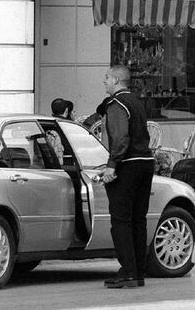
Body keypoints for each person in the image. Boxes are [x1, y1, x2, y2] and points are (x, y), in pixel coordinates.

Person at [100, 65, 154, 289]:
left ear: (115, 80)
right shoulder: (136, 102)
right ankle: (138, 272)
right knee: (138, 219)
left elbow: (120, 137)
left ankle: (128, 271)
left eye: (106, 78)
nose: (104, 82)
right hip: (145, 162)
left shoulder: (117, 104)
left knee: (121, 220)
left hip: (128, 164)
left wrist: (112, 165)